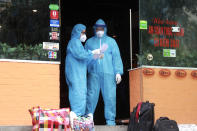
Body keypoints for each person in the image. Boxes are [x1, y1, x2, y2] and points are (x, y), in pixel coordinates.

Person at [85, 19, 123, 126]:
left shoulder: (111, 42)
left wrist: (118, 72)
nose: (99, 31)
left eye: (102, 29)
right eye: (98, 29)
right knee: (91, 96)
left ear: (105, 29)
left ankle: (110, 122)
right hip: (93, 74)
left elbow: (116, 58)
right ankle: (87, 121)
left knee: (110, 97)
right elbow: (84, 58)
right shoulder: (89, 42)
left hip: (108, 74)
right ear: (94, 29)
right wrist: (85, 71)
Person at [65, 24, 101, 128]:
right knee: (78, 95)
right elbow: (81, 54)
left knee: (81, 95)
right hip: (75, 75)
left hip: (78, 75)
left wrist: (95, 56)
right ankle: (74, 118)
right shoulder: (74, 42)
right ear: (77, 32)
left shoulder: (78, 44)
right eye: (83, 32)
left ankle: (77, 121)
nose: (84, 35)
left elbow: (85, 59)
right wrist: (92, 52)